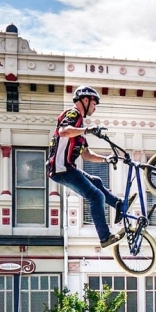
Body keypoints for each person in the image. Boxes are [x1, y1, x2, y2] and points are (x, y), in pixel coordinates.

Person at [46, 85, 130, 248]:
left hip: (66, 167)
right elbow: (63, 131)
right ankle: (105, 237)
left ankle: (118, 205)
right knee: (96, 197)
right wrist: (88, 130)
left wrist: (106, 160)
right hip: (60, 168)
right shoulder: (73, 114)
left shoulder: (79, 128)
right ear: (85, 100)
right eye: (93, 103)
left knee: (97, 181)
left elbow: (85, 154)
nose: (94, 107)